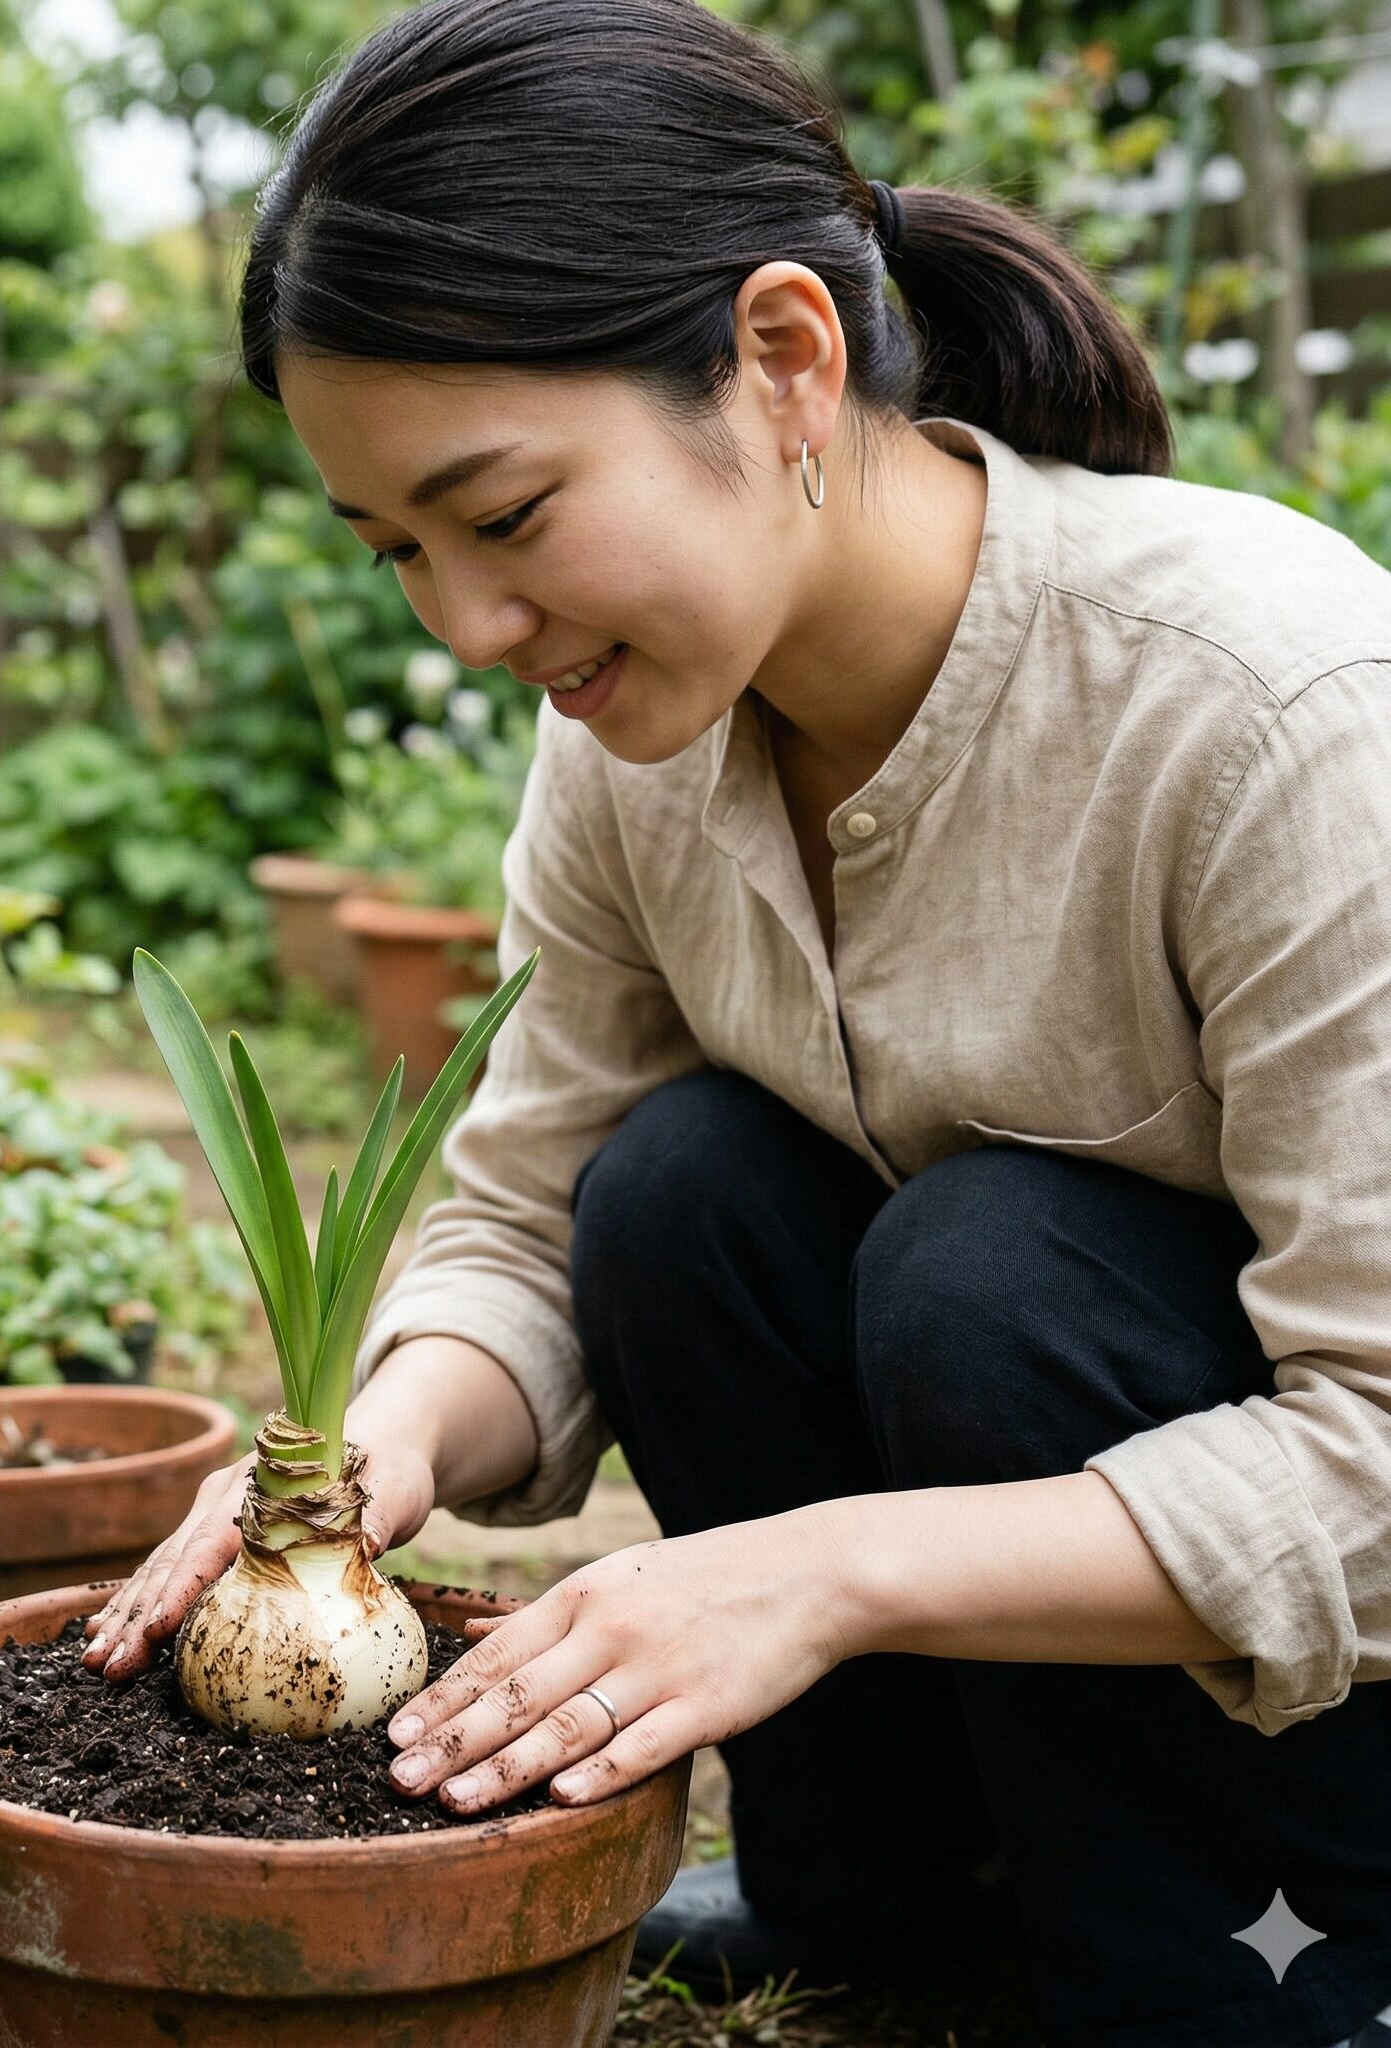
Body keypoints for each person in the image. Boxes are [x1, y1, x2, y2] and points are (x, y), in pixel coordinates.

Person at [81, 1, 1391, 2041]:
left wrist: (822, 1571)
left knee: (986, 1261)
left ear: (785, 358)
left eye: (500, 517)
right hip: (1034, 1678)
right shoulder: (634, 745)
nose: (466, 625)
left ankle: (1225, 1966)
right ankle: (878, 1911)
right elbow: (516, 1216)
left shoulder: (1270, 709)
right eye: (396, 552)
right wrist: (366, 1455)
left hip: (1323, 1749)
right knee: (679, 1186)